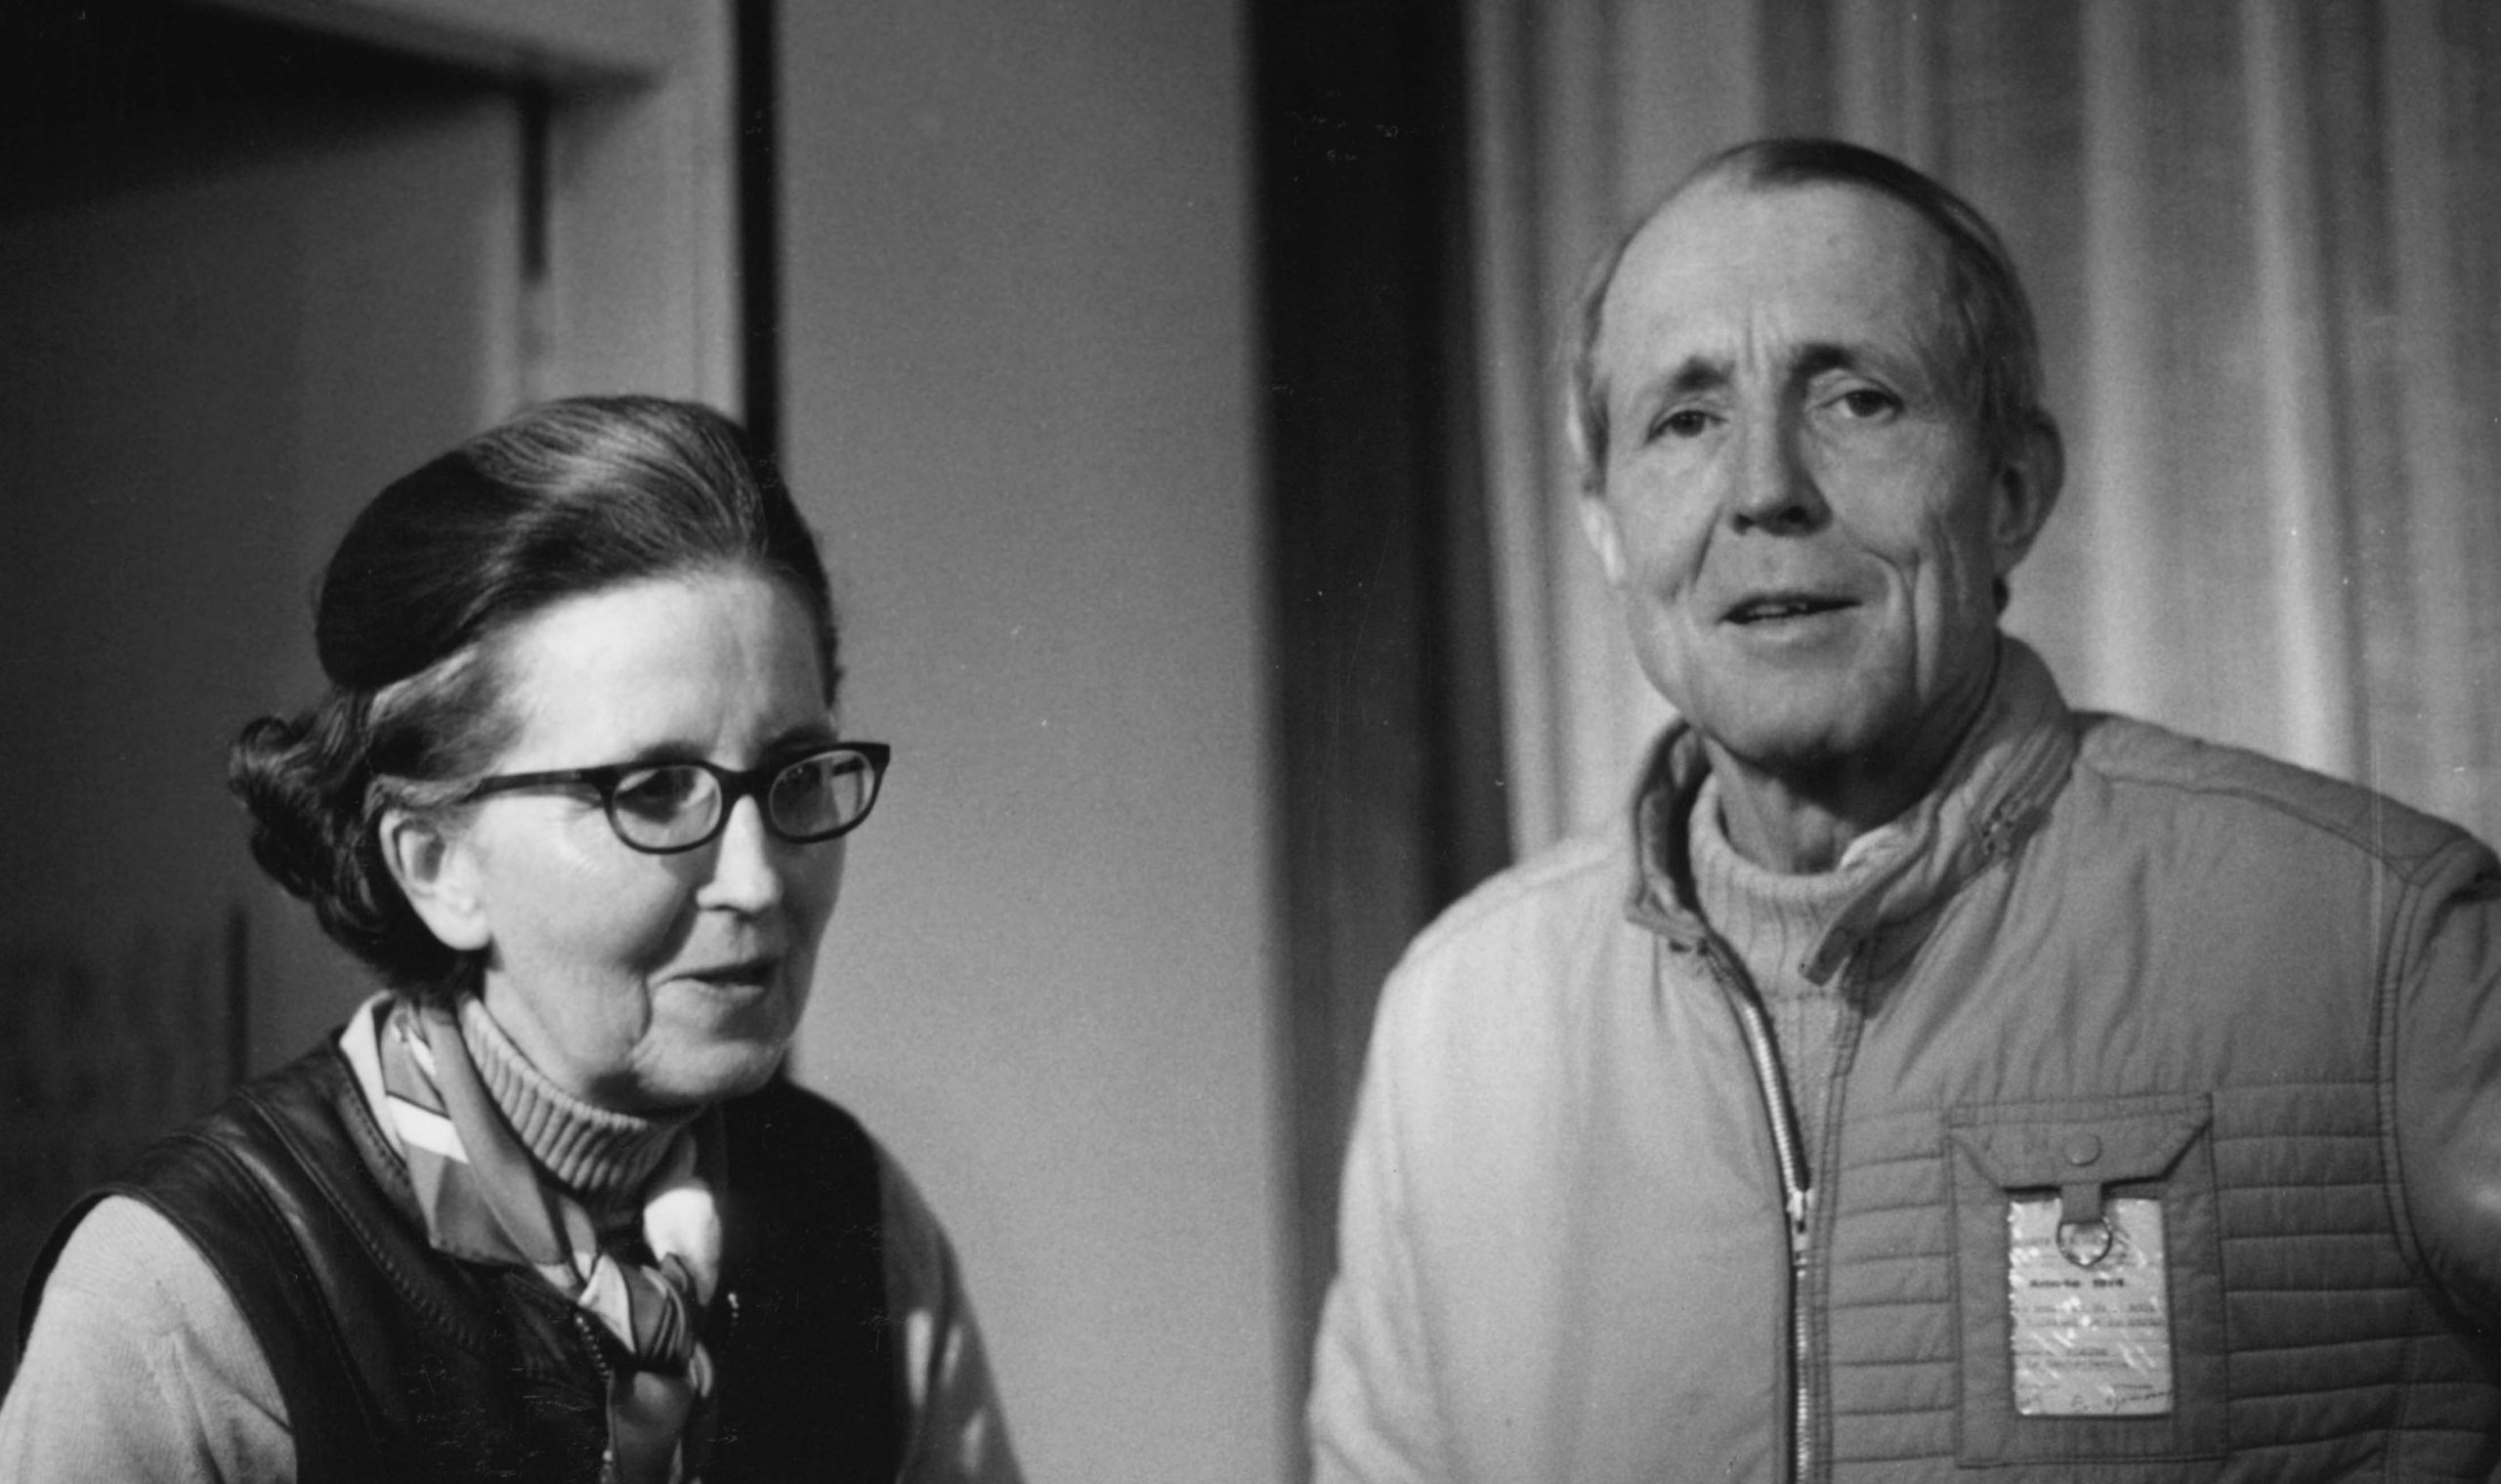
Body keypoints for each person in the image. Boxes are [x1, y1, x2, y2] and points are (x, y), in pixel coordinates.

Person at [1307, 139, 2501, 1482]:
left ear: (2011, 492)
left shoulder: (2385, 943)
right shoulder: (1454, 1020)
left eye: (1860, 401)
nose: (1766, 486)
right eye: (1685, 419)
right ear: (1602, 523)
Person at [2, 396, 1023, 1482]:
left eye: (791, 774)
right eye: (655, 788)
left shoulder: (858, 1223)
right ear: (437, 864)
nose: (759, 876)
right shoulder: (188, 1304)